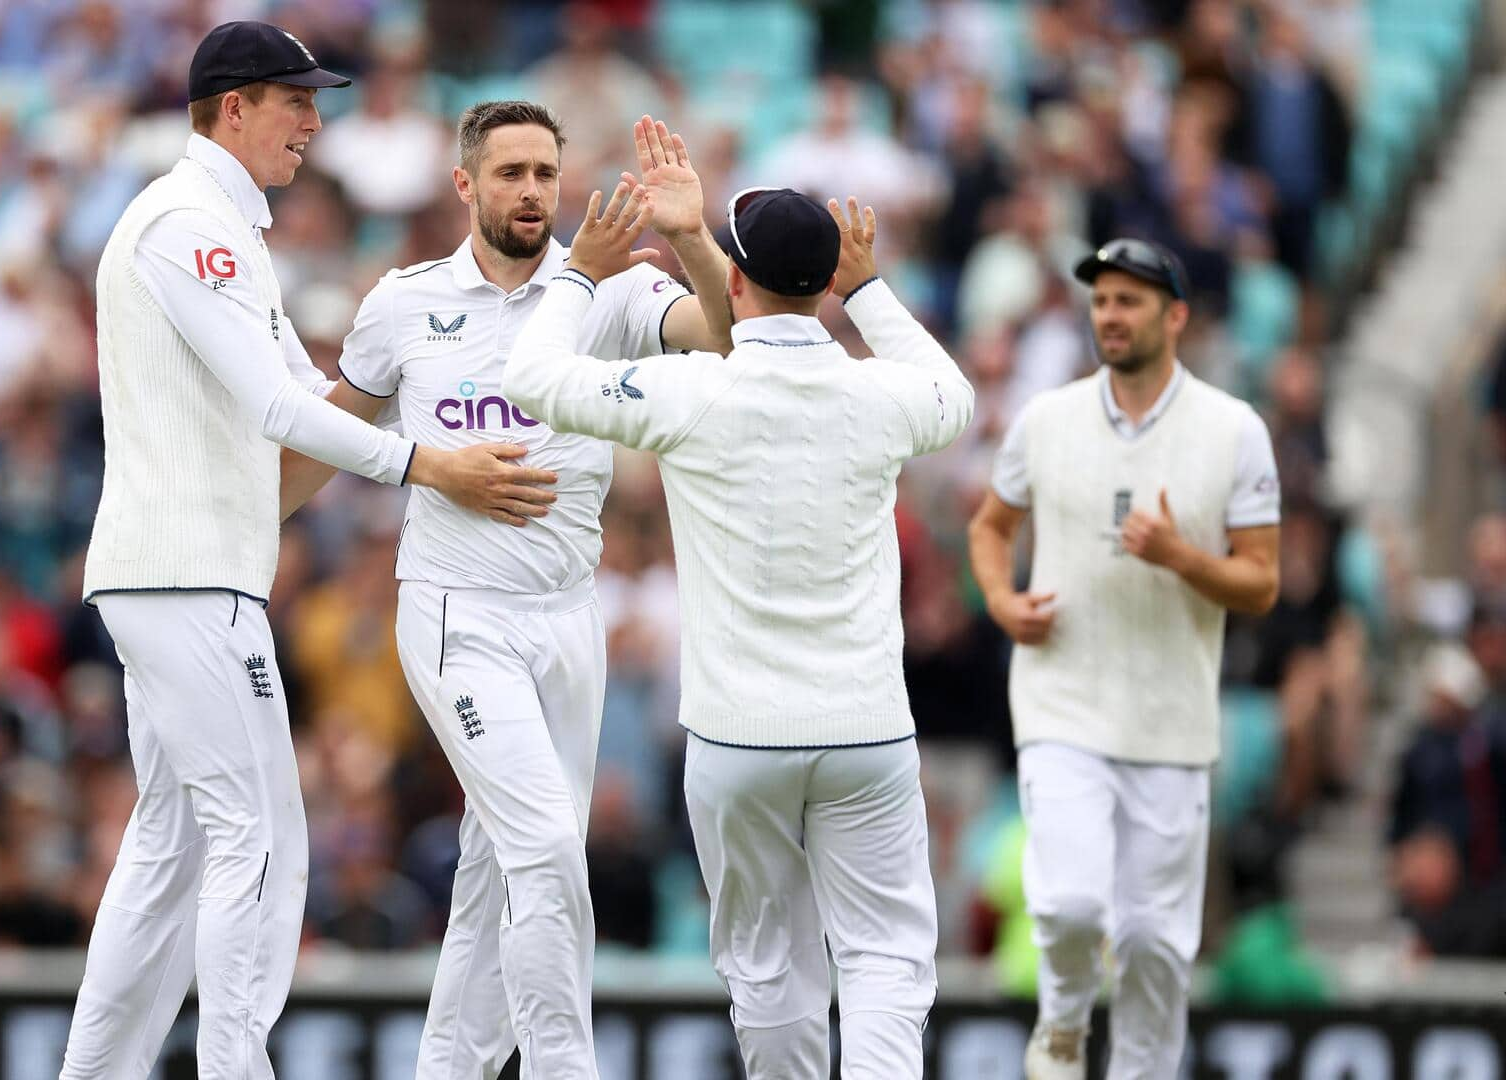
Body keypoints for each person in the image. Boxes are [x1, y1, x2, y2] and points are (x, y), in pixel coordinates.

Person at [57, 22, 558, 1080]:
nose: (314, 123)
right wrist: (431, 466)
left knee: (173, 848)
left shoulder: (217, 227)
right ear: (231, 108)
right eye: (294, 102)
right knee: (265, 838)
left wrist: (412, 368)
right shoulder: (189, 224)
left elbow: (321, 390)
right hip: (188, 574)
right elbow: (282, 405)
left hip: (182, 571)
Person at [281, 105, 732, 1079]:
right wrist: (243, 533)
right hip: (457, 613)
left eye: (544, 172)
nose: (531, 190)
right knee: (545, 856)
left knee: (498, 873)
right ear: (464, 185)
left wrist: (692, 234)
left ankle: (450, 1069)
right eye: (510, 172)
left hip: (570, 620)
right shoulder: (404, 303)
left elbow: (729, 337)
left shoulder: (607, 294)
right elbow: (325, 438)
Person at [504, 182, 973, 1077]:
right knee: (885, 961)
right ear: (823, 280)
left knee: (767, 969)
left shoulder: (693, 392)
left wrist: (581, 275)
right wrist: (867, 290)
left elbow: (530, 378)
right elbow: (954, 392)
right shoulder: (880, 396)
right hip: (867, 729)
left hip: (737, 739)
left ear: (737, 287)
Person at [966, 238, 1282, 1080]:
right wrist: (1001, 600)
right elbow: (990, 528)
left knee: (1153, 944)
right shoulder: (1047, 418)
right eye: (1101, 300)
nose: (1110, 314)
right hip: (1061, 700)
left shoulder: (1234, 430)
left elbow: (1260, 583)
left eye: (1130, 301)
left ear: (1176, 316)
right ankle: (1063, 1023)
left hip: (1171, 721)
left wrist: (1182, 558)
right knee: (1069, 906)